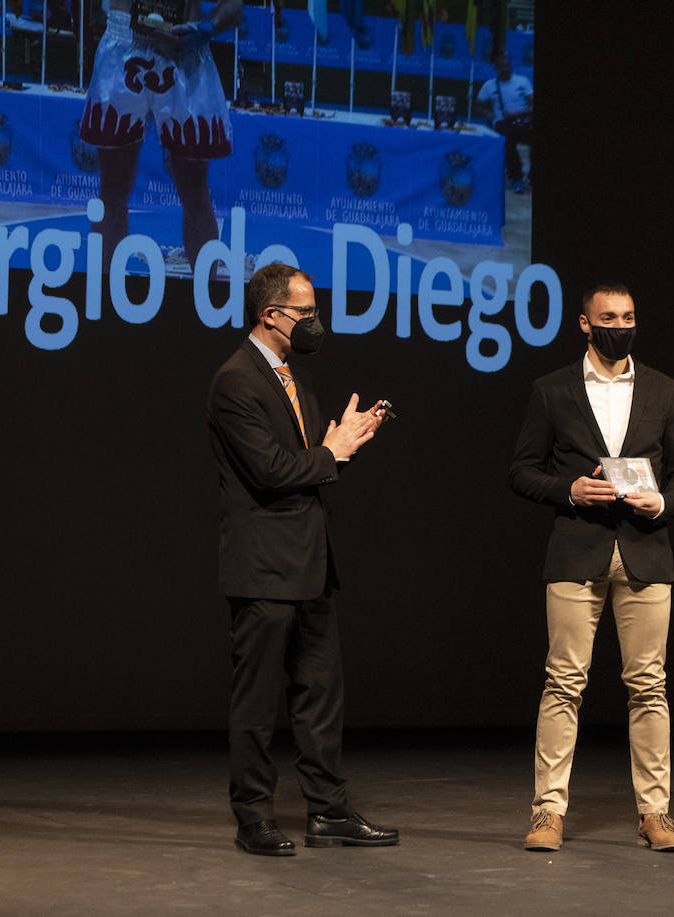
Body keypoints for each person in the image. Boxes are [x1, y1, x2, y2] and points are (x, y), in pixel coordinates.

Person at [206, 262, 398, 856]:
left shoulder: (297, 380)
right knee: (257, 701)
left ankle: (327, 811)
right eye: (306, 312)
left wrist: (347, 443)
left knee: (319, 694)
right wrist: (329, 453)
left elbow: (310, 465)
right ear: (271, 315)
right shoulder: (235, 381)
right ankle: (254, 817)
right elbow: (269, 470)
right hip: (264, 566)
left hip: (311, 563)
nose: (316, 321)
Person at [507, 283, 674, 854]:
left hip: (646, 550)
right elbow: (521, 470)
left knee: (649, 685)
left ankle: (655, 813)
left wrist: (663, 502)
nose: (620, 326)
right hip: (578, 551)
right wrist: (569, 490)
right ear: (585, 324)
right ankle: (548, 812)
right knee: (564, 682)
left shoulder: (664, 390)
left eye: (629, 317)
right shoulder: (553, 390)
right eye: (609, 318)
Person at [79, 0, 242, 274]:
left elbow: (234, 5)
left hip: (185, 48)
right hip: (124, 39)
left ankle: (207, 298)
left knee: (195, 191)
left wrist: (207, 27)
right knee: (112, 189)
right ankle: (103, 295)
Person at [475, 53, 533, 193]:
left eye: (508, 67)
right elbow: (477, 107)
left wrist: (517, 113)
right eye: (502, 67)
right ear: (496, 68)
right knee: (507, 142)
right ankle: (516, 179)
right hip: (502, 122)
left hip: (522, 120)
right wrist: (487, 114)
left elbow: (532, 106)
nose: (506, 70)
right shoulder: (489, 86)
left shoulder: (522, 81)